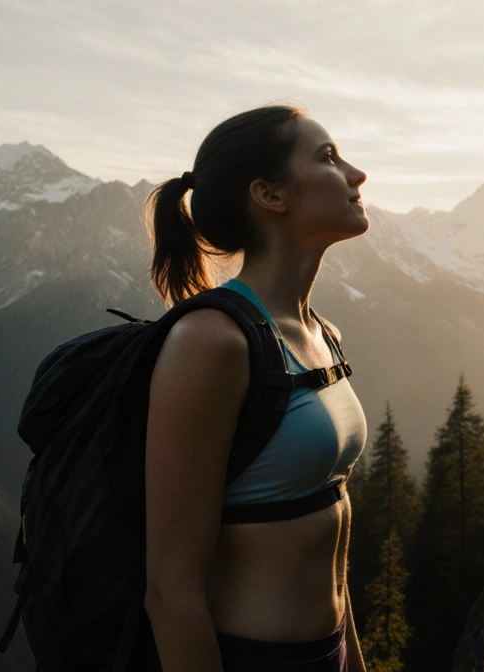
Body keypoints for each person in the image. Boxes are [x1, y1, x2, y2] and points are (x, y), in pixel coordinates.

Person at [140, 104, 370, 672]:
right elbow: (170, 592)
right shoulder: (212, 341)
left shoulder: (322, 334)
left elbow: (329, 549)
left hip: (330, 652)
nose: (356, 174)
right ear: (270, 195)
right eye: (328, 157)